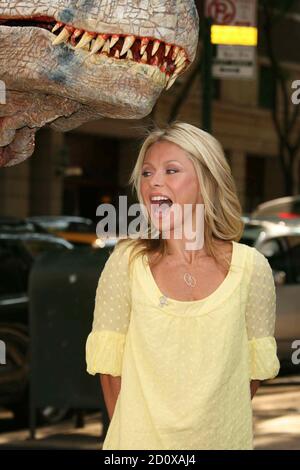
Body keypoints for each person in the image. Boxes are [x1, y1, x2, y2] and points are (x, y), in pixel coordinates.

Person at [85, 121, 280, 450]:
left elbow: (252, 373)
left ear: (206, 182)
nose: (154, 182)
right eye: (146, 173)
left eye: (171, 170)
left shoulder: (252, 268)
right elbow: (110, 372)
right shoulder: (126, 262)